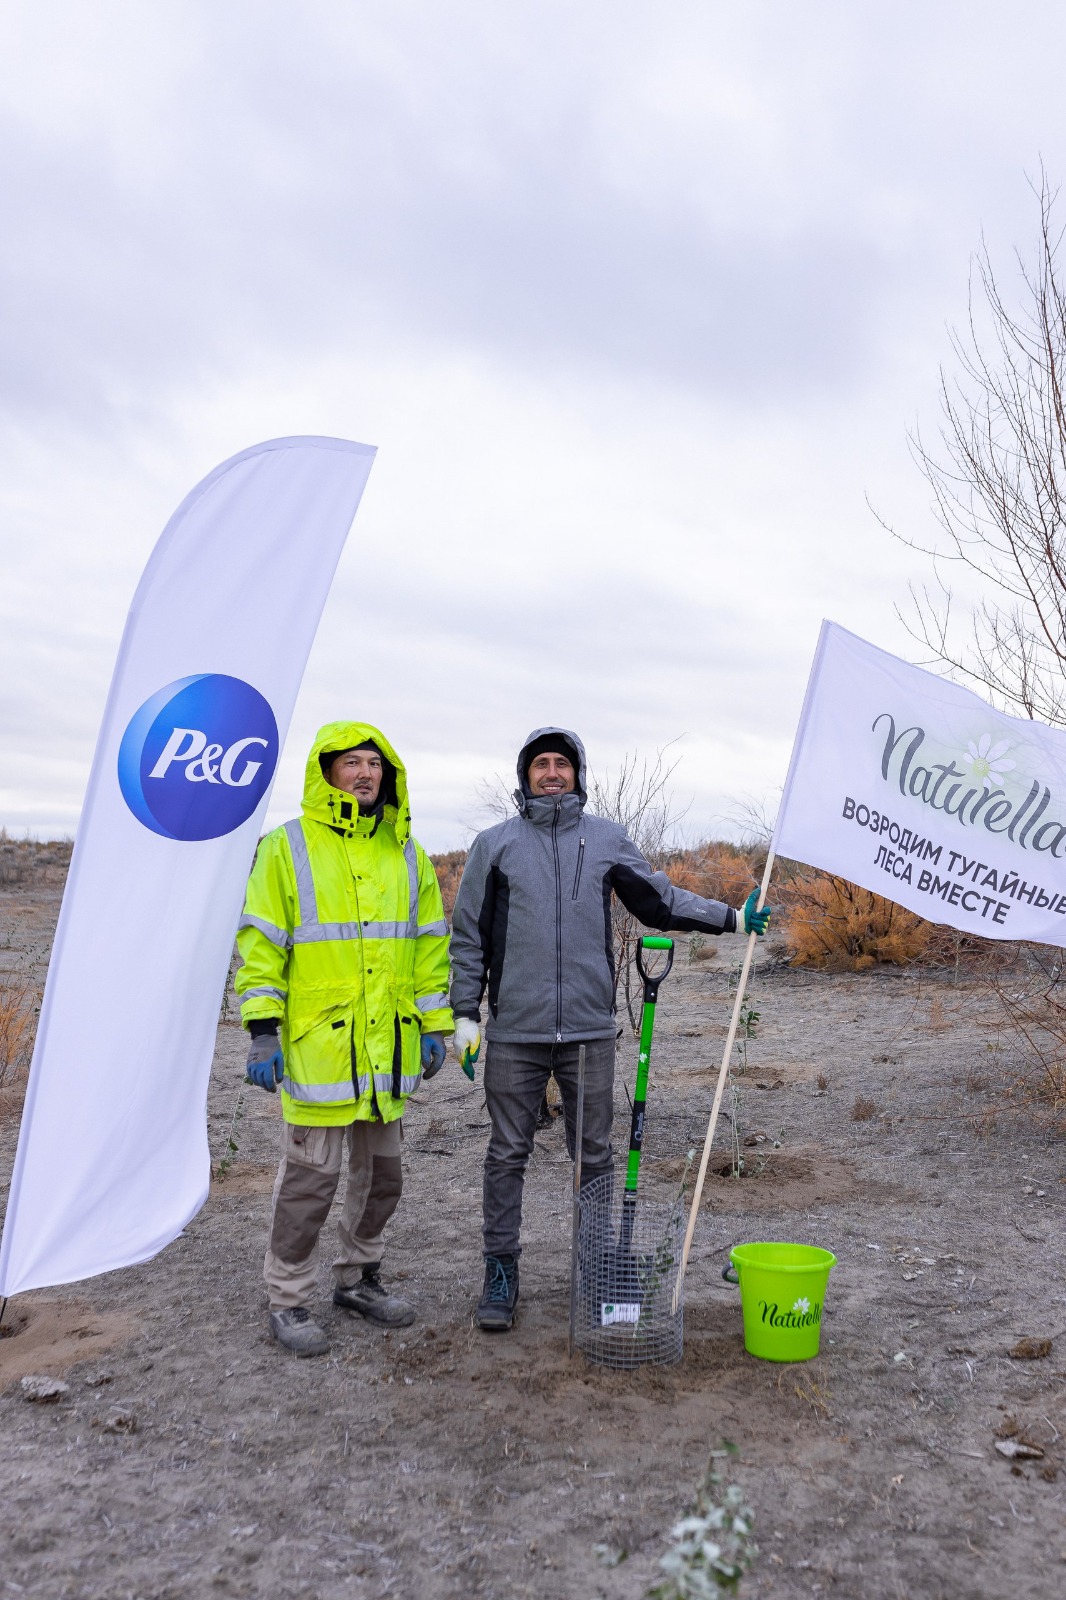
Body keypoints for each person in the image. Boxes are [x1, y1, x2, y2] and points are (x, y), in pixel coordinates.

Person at [449, 727, 772, 1332]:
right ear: (525, 776)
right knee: (506, 1153)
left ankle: (598, 1269)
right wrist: (465, 1015)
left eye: (562, 764)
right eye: (541, 764)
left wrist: (732, 918)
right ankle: (501, 1271)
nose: (552, 773)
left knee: (593, 1156)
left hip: (589, 1032)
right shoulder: (494, 845)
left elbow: (658, 901)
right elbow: (469, 937)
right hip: (515, 1033)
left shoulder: (605, 840)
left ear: (577, 775)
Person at [235, 722, 453, 1356]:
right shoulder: (287, 847)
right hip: (319, 1050)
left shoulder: (406, 853)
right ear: (326, 773)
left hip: (388, 1050)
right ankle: (287, 1299)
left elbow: (428, 948)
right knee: (310, 1184)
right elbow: (261, 945)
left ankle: (358, 1279)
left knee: (383, 1178)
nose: (365, 774)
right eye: (352, 763)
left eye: (375, 765)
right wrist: (262, 1032)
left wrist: (435, 1024)